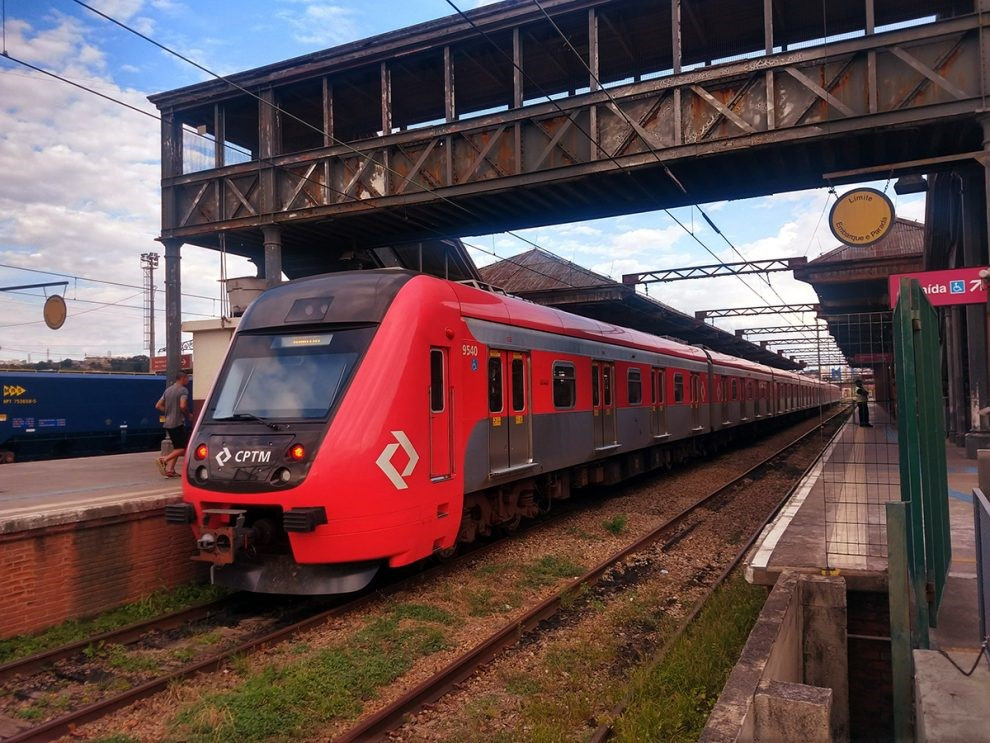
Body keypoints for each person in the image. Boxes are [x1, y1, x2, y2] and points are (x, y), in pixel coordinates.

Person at [155, 372, 192, 477]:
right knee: (183, 448)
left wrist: (168, 412)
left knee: (177, 447)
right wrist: (188, 415)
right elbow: (183, 405)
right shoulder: (183, 390)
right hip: (177, 422)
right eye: (187, 378)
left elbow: (158, 406)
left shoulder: (168, 390)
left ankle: (171, 470)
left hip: (168, 422)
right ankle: (163, 460)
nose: (188, 381)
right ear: (183, 378)